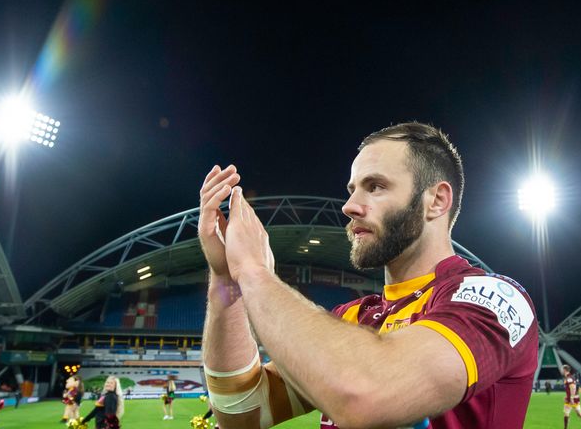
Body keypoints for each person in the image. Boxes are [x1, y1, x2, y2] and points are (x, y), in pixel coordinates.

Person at [199, 122, 539, 428]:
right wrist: (227, 283)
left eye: (375, 187)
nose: (350, 206)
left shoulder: (493, 300)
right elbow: (241, 411)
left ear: (436, 200)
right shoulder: (352, 317)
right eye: (352, 189)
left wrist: (255, 273)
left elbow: (366, 396)